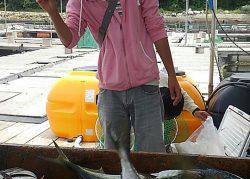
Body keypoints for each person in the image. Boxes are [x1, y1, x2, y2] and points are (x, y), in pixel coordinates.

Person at [36, 0, 182, 152]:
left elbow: (156, 28)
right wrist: (52, 12)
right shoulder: (80, 2)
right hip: (110, 88)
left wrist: (171, 74)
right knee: (114, 157)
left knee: (152, 153)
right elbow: (70, 40)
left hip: (146, 82)